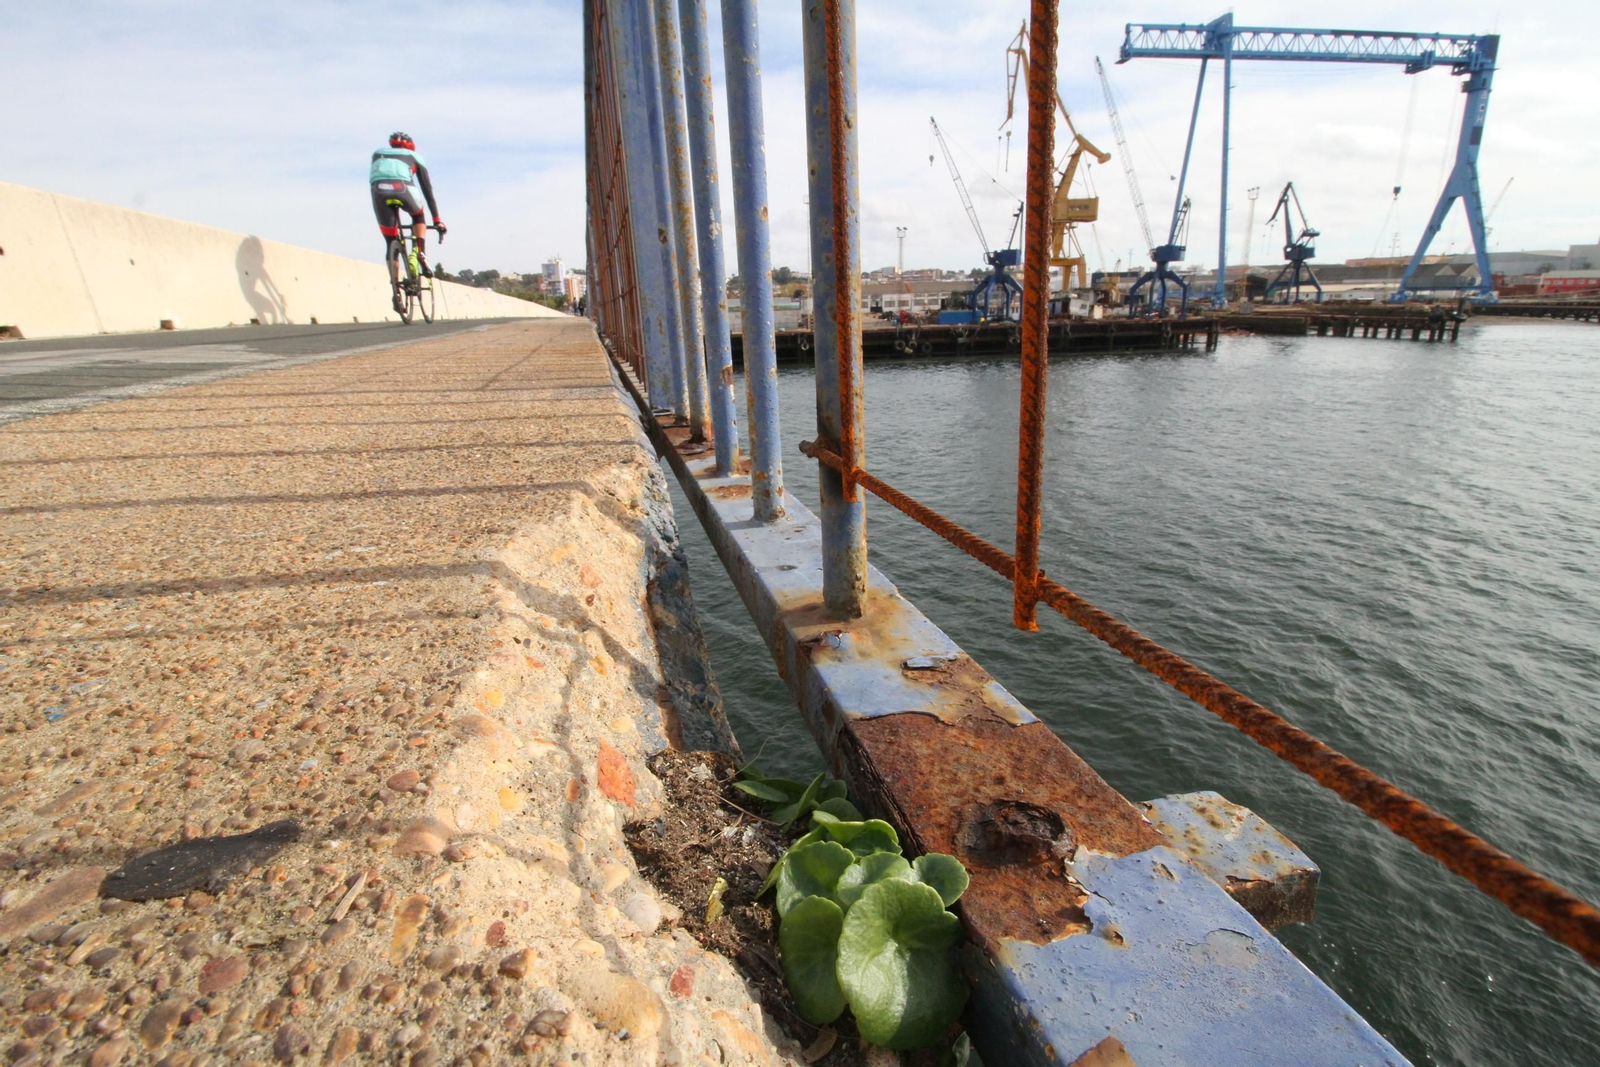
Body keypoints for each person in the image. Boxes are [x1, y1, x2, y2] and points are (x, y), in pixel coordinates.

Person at [370, 132, 446, 314]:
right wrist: (437, 220)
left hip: (379, 192)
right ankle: (420, 252)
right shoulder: (415, 157)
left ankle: (395, 289)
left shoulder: (377, 154)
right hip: (404, 189)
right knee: (418, 217)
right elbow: (427, 191)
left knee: (390, 241)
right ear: (411, 147)